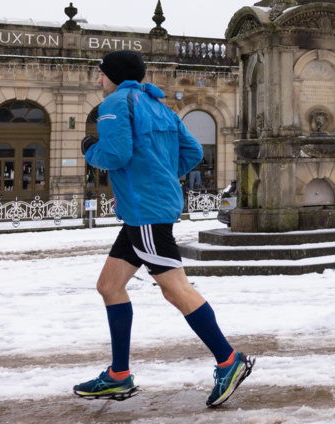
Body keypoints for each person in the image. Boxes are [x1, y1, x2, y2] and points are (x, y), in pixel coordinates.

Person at [73, 50, 254, 407]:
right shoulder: (160, 105)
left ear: (112, 75)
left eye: (100, 74)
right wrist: (161, 176)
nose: (97, 80)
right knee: (109, 286)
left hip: (144, 212)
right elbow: (192, 153)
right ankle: (118, 375)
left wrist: (89, 148)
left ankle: (229, 359)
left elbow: (116, 155)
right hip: (150, 209)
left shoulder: (113, 104)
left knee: (176, 290)